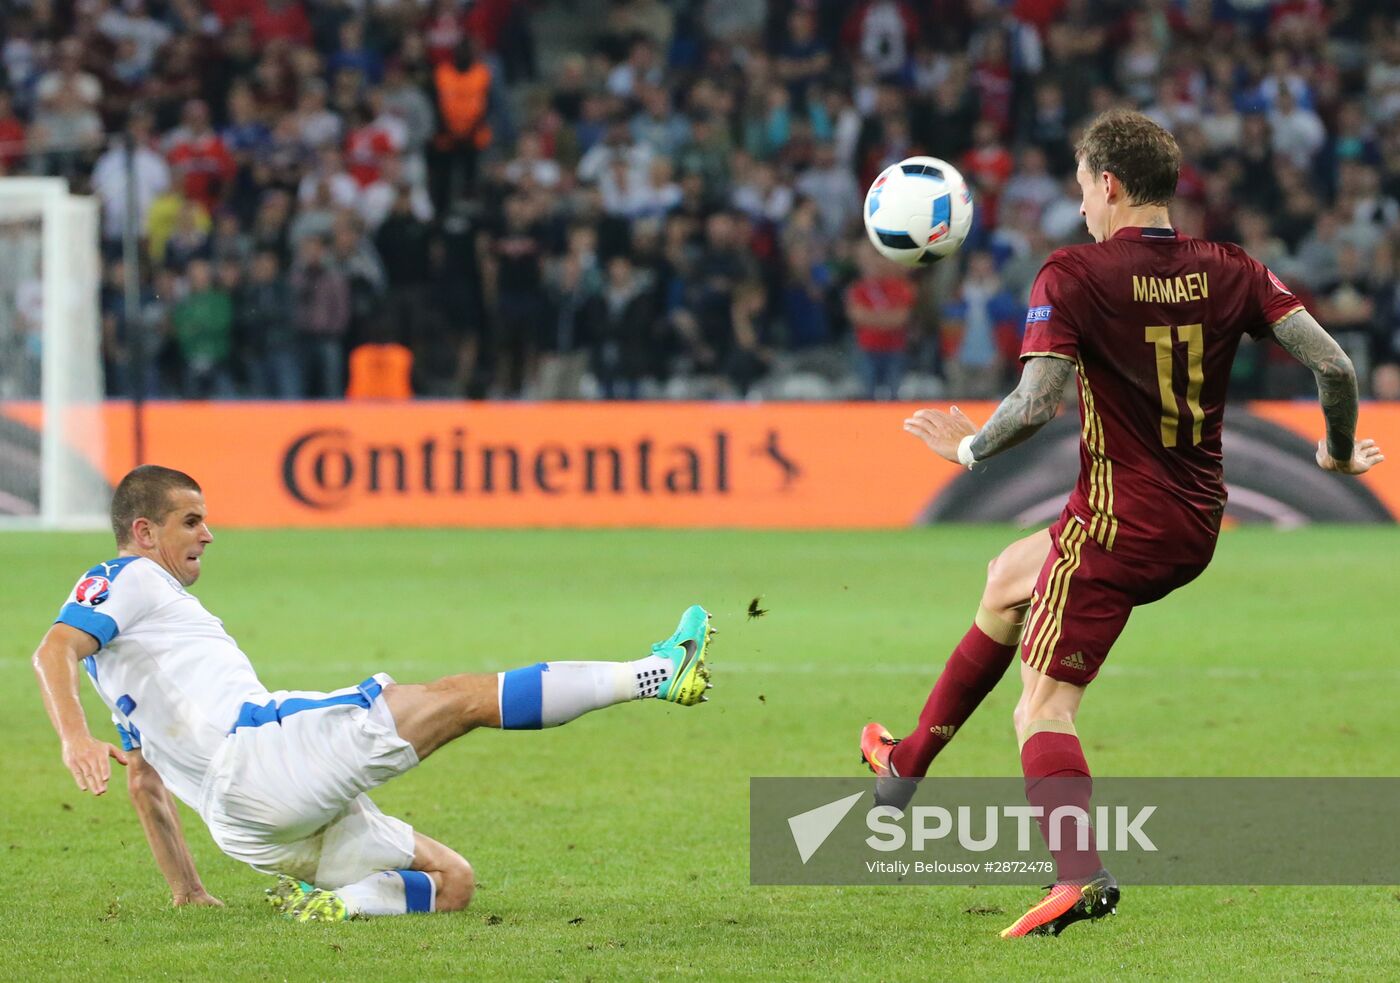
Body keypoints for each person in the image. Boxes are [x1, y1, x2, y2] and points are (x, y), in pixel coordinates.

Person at [858, 110, 1385, 939]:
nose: (1078, 208)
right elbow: (1335, 362)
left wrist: (968, 449)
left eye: (1080, 188)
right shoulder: (1233, 267)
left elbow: (1037, 403)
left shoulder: (1074, 273)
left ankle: (1080, 874)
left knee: (1042, 709)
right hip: (1194, 518)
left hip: (1115, 523)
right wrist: (1341, 451)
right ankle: (904, 764)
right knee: (1005, 579)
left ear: (1108, 183)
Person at [32, 466, 714, 921]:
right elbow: (52, 646)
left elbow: (145, 782)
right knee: (459, 698)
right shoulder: (125, 577)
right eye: (190, 520)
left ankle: (340, 905)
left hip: (245, 830)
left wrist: (188, 891)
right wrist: (72, 738)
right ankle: (657, 672)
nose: (208, 533)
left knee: (454, 882)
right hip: (262, 757)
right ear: (144, 531)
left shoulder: (124, 663)